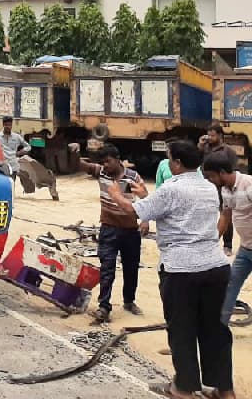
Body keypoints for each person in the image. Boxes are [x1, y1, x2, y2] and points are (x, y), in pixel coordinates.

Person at [107, 140, 233, 399]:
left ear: (176, 163)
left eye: (168, 158)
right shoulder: (209, 187)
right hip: (215, 266)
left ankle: (183, 388)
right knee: (215, 330)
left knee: (182, 330)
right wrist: (145, 195)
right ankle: (224, 389)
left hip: (181, 270)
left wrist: (117, 195)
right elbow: (170, 209)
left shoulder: (170, 188)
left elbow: (133, 212)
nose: (167, 163)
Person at [79, 144, 146, 323]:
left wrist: (145, 220)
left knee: (131, 268)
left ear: (117, 159)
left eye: (108, 161)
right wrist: (74, 153)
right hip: (109, 228)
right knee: (107, 268)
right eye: (102, 163)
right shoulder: (101, 173)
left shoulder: (133, 177)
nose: (105, 166)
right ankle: (104, 306)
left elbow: (146, 198)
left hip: (131, 230)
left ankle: (129, 301)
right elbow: (79, 165)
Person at [202, 151, 252, 327]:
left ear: (222, 172)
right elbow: (225, 215)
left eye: (211, 176)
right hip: (246, 250)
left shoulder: (249, 185)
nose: (210, 181)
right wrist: (212, 240)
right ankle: (220, 328)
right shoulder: (225, 190)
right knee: (230, 285)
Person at [200, 124, 237, 255]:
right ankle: (207, 243)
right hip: (207, 186)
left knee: (226, 214)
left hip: (223, 187)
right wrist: (199, 146)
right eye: (208, 135)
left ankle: (227, 245)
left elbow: (231, 170)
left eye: (212, 135)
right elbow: (194, 161)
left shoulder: (228, 151)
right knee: (206, 213)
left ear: (220, 136)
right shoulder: (205, 148)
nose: (209, 138)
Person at [0, 117, 31, 183]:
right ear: (3, 125)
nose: (8, 127)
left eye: (10, 125)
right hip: (2, 166)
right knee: (2, 185)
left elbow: (28, 147)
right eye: (6, 125)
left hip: (13, 166)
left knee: (11, 185)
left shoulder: (17, 137)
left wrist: (19, 152)